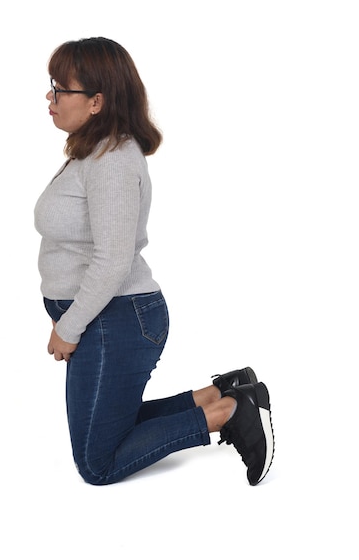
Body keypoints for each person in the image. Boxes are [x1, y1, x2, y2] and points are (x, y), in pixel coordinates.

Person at [34, 37, 274, 486]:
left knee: (97, 463)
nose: (50, 97)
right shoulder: (92, 152)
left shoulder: (111, 161)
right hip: (104, 319)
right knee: (113, 423)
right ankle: (223, 390)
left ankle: (230, 412)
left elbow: (112, 260)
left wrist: (68, 328)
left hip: (115, 319)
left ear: (96, 102)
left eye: (60, 88)